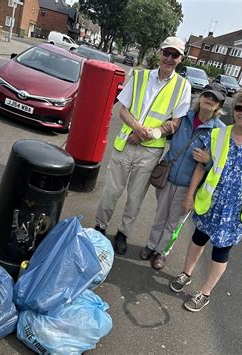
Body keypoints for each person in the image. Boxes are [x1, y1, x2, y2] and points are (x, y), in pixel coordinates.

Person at [169, 88, 242, 312]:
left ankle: (204, 293)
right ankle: (186, 273)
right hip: (210, 202)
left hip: (238, 210)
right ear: (234, 110)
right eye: (240, 107)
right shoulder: (218, 134)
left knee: (220, 251)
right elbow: (201, 167)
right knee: (198, 239)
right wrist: (190, 195)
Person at [94, 36, 192, 255]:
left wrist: (147, 134)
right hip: (125, 145)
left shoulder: (183, 86)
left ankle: (122, 234)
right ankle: (100, 227)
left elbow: (175, 123)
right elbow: (123, 110)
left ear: (181, 59)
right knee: (111, 191)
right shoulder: (138, 77)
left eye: (174, 55)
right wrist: (138, 128)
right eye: (166, 52)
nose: (168, 58)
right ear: (159, 53)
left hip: (149, 152)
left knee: (135, 198)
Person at [140, 83, 227, 270]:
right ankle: (150, 245)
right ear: (201, 97)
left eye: (215, 99)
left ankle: (162, 252)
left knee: (173, 221)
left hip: (189, 185)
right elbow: (166, 134)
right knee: (160, 215)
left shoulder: (220, 130)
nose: (210, 100)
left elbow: (220, 165)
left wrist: (209, 160)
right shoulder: (184, 116)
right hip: (168, 177)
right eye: (207, 95)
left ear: (219, 106)